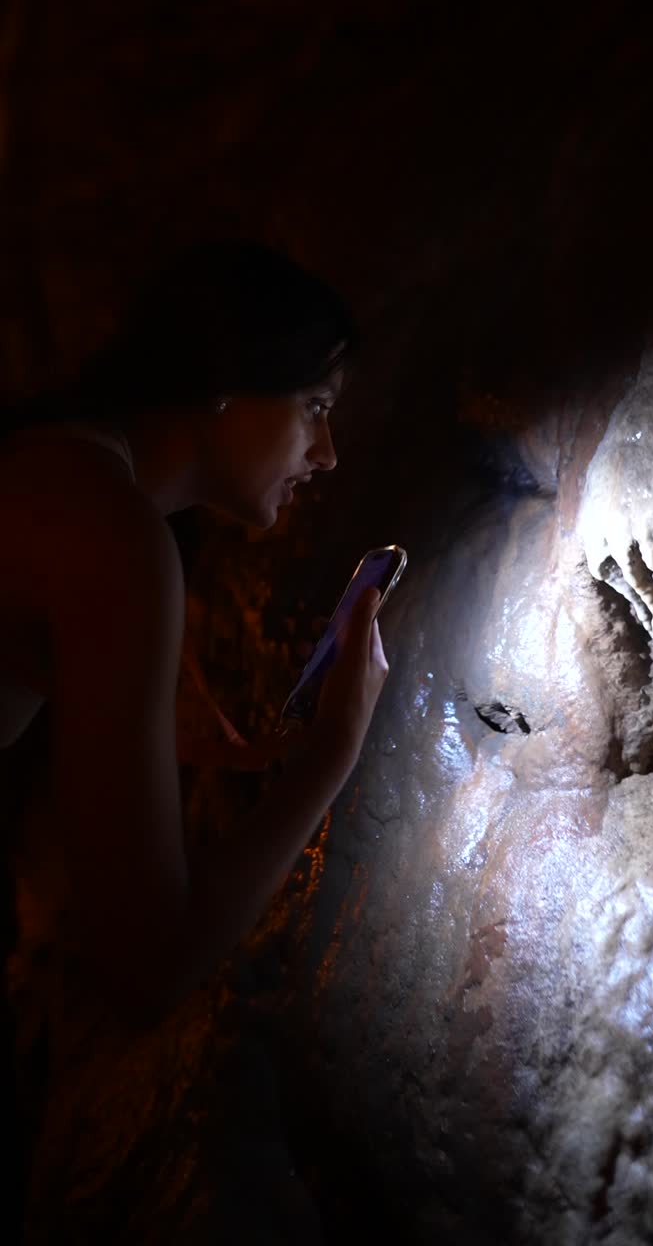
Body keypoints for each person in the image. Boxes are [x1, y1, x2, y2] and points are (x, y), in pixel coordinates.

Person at [0, 240, 389, 1236]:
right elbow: (148, 965)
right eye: (314, 404)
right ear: (222, 387)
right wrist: (330, 755)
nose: (327, 452)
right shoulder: (112, 535)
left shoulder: (60, 470)